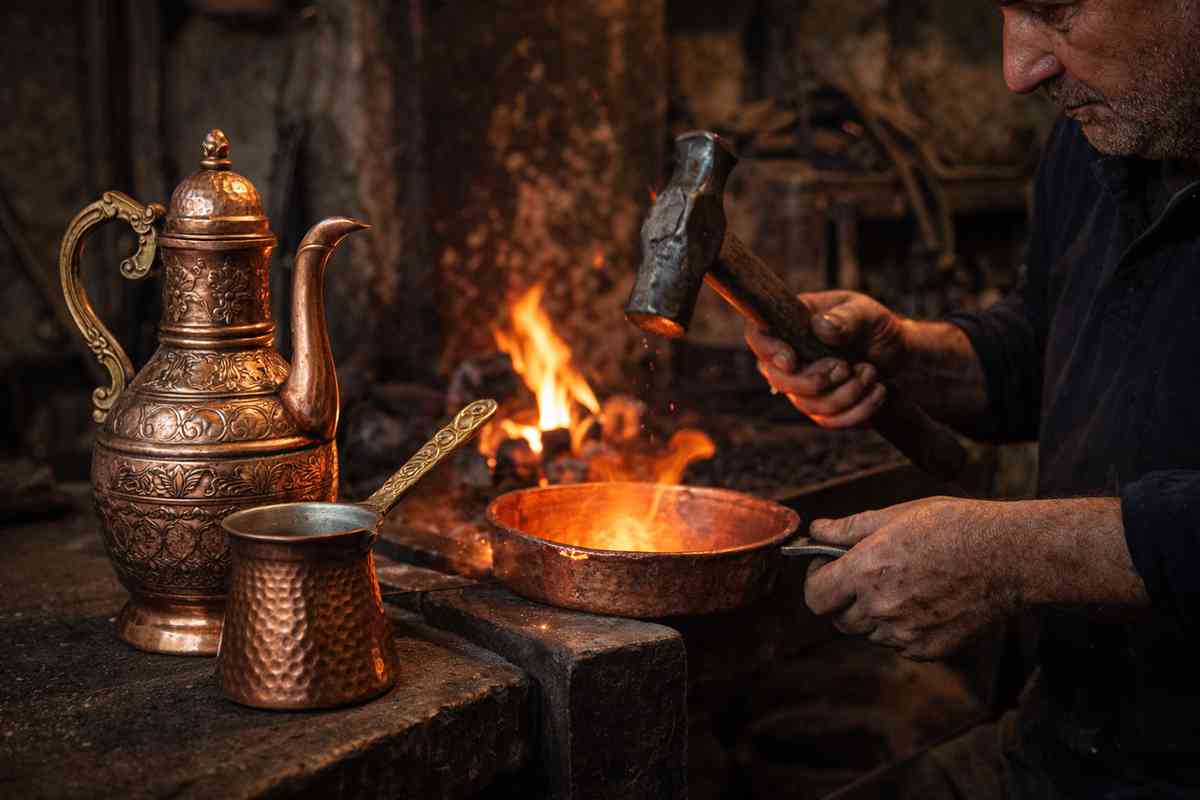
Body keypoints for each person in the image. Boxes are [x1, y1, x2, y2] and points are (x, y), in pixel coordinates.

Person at [744, 1, 1200, 797]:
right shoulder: (1102, 137)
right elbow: (1048, 346)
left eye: (1055, 12)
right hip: (1063, 743)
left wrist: (1019, 556)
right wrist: (908, 354)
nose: (1018, 70)